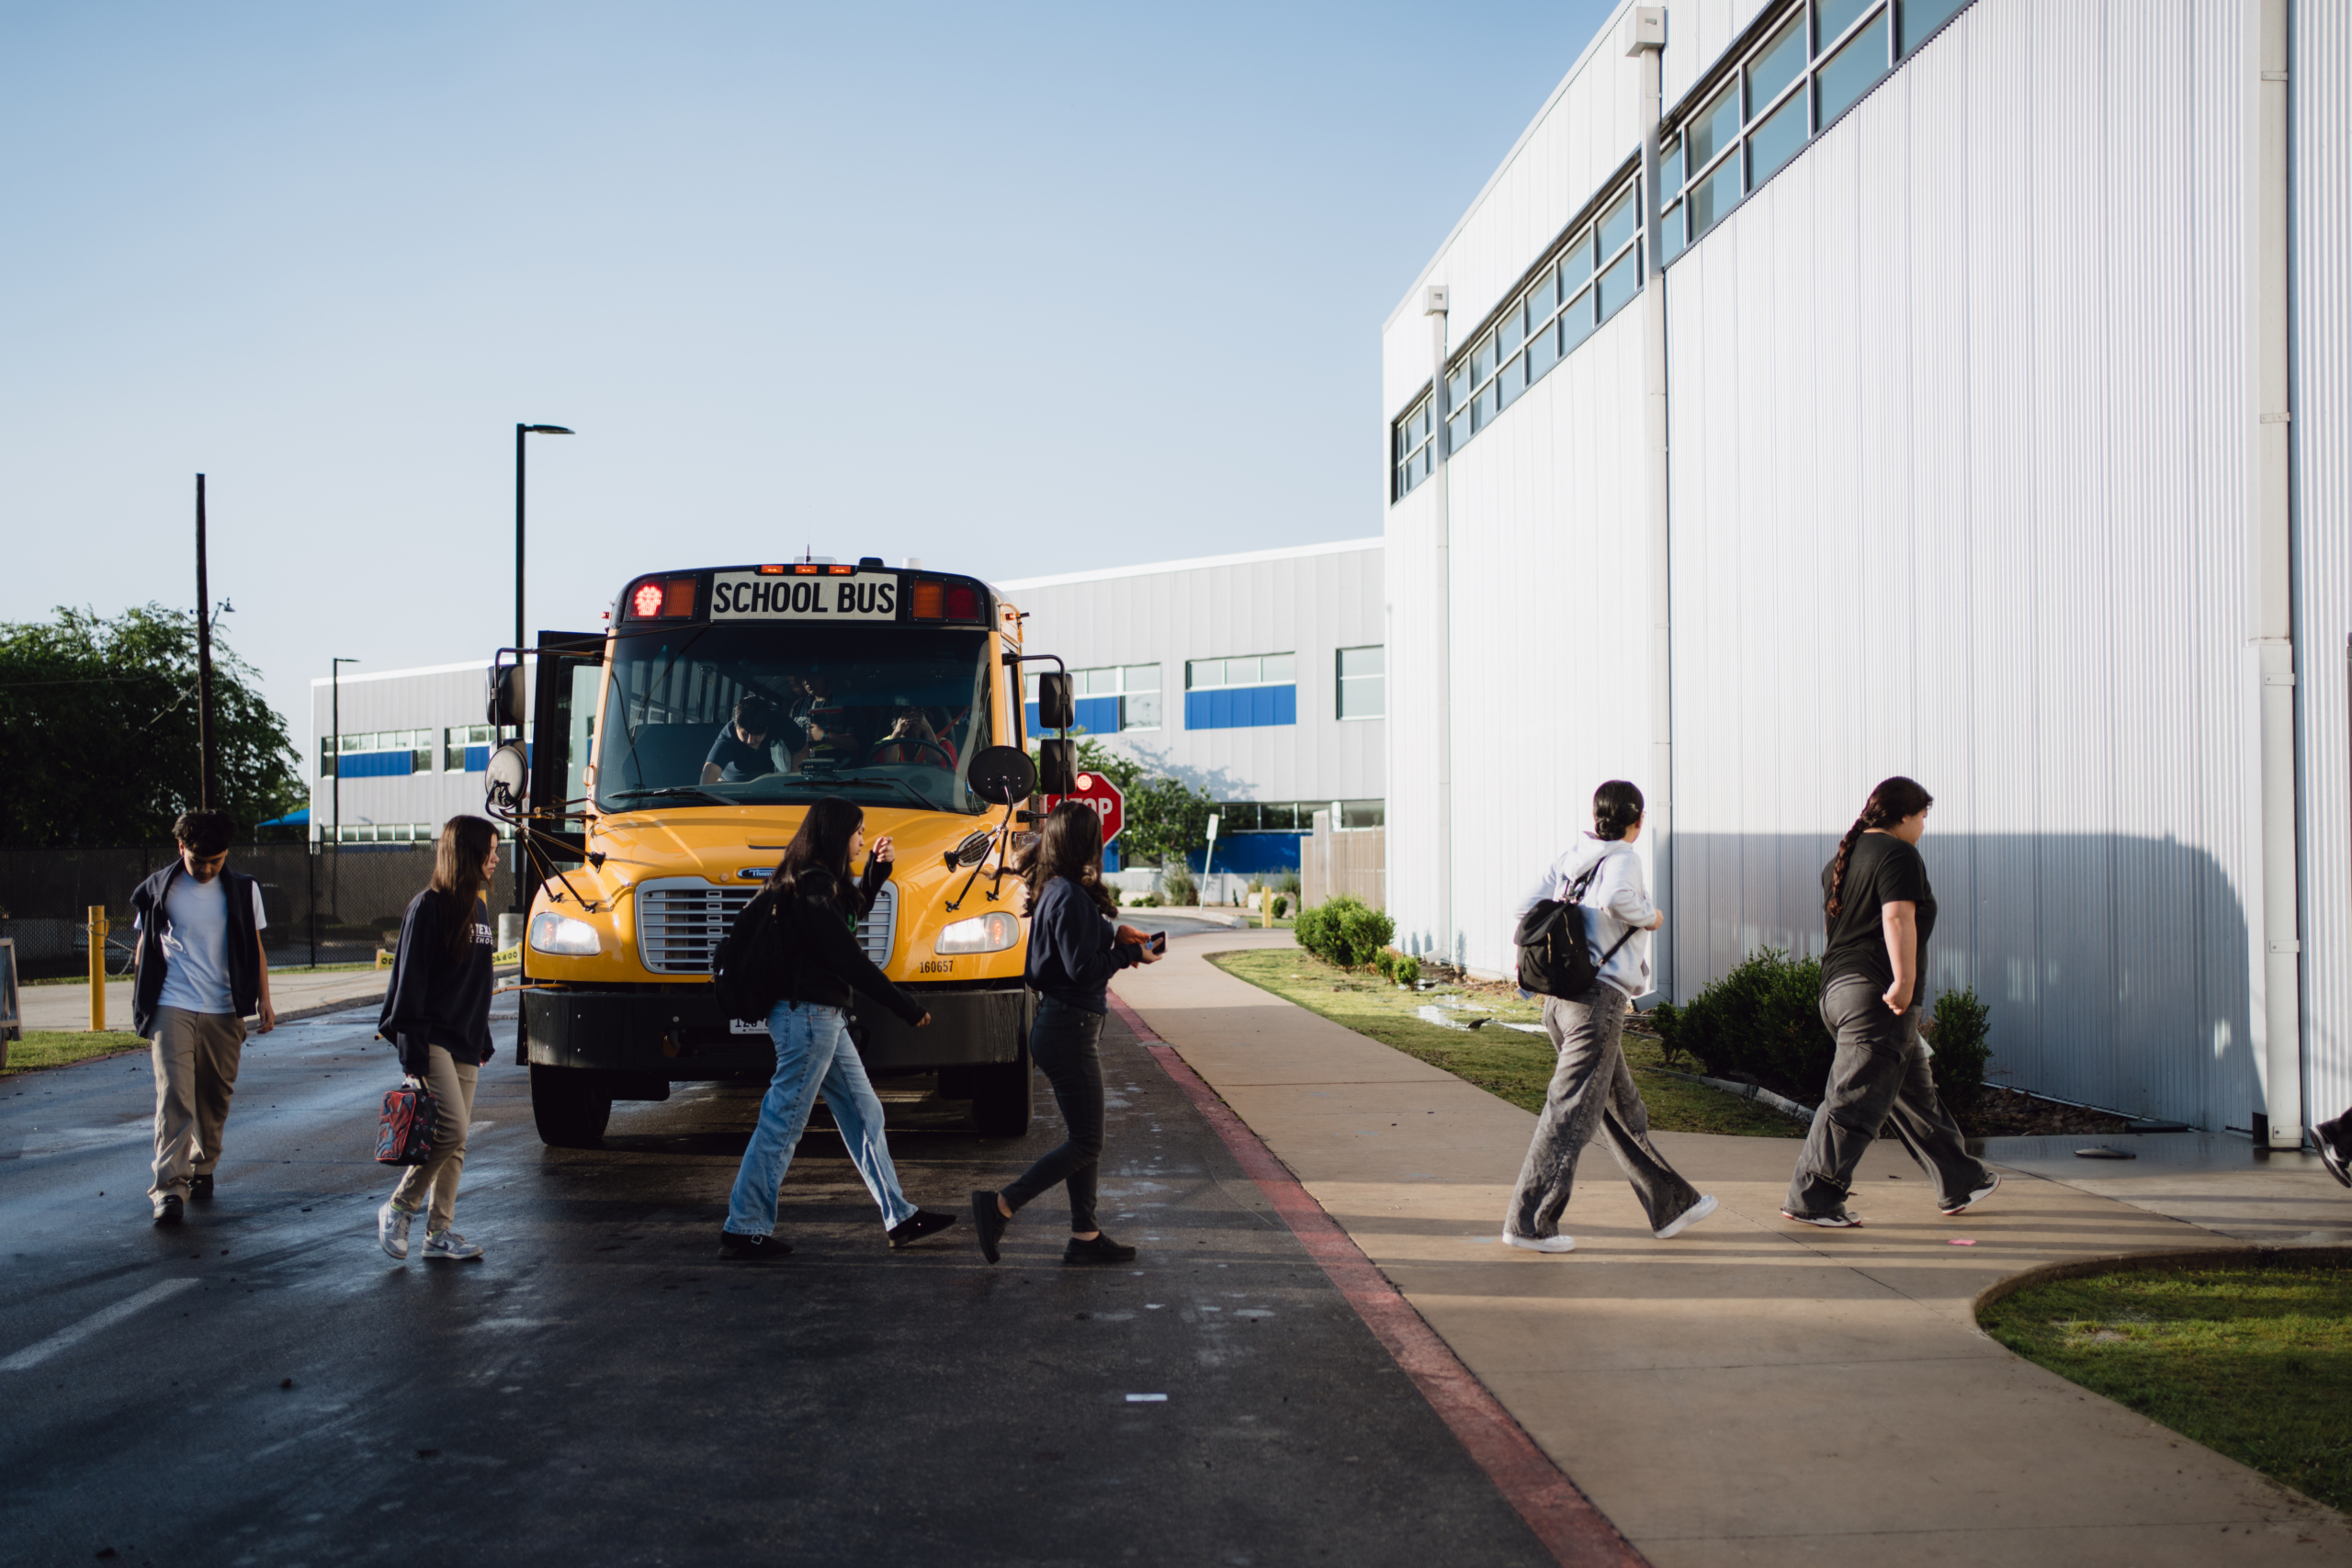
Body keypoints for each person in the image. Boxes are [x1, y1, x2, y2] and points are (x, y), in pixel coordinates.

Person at [719, 797, 958, 1259]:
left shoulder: (814, 882)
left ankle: (900, 1216)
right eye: (858, 831)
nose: (863, 839)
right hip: (807, 1019)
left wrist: (874, 873)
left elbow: (845, 923)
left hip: (820, 1019)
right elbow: (847, 956)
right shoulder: (810, 887)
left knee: (865, 1114)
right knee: (783, 1123)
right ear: (836, 833)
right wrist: (905, 1006)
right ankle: (744, 1224)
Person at [1500, 782, 1716, 1254]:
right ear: (1636, 821)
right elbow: (1620, 899)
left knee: (1622, 1107)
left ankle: (1671, 1205)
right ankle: (1529, 1223)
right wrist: (1652, 917)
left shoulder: (1573, 855)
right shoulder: (1623, 858)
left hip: (1560, 1002)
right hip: (1598, 1003)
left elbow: (1523, 908)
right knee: (1571, 1114)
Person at [1782, 776, 1999, 1228]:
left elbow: (1840, 931)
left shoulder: (1842, 859)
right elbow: (1897, 915)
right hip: (1878, 995)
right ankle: (1813, 1198)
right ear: (1904, 815)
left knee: (1914, 1092)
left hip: (1839, 992)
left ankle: (1962, 1179)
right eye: (1923, 816)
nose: (1923, 825)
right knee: (1853, 1100)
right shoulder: (1898, 853)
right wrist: (1903, 980)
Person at [971, 799, 1162, 1267]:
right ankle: (1001, 1205)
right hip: (1068, 1029)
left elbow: (1074, 947)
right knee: (1087, 1141)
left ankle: (1085, 1234)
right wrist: (1131, 957)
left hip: (1059, 1025)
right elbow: (1081, 968)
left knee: (1084, 1135)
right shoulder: (1070, 896)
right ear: (1084, 843)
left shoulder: (1056, 889)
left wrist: (1116, 936)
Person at [130, 810, 277, 1225]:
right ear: (181, 848)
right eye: (199, 861)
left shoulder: (245, 890)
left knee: (214, 1097)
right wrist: (141, 995)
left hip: (224, 1006)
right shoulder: (160, 888)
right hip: (171, 1003)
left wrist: (264, 999)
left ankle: (203, 1165)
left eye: (217, 861)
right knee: (175, 1094)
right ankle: (168, 1188)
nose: (208, 869)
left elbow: (256, 948)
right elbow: (145, 946)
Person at [375, 817, 502, 1262]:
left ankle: (439, 1233)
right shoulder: (427, 907)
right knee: (451, 1129)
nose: (496, 858)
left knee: (458, 1142)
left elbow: (475, 981)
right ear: (466, 852)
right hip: (430, 1037)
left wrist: (481, 1037)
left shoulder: (478, 906)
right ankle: (399, 1206)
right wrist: (411, 1052)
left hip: (465, 1037)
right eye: (489, 850)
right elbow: (409, 982)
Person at [703, 695, 785, 784]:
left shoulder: (780, 723)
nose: (749, 740)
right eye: (745, 733)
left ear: (766, 729)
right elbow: (711, 770)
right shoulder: (728, 737)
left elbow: (800, 751)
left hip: (770, 787)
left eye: (758, 735)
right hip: (732, 788)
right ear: (736, 726)